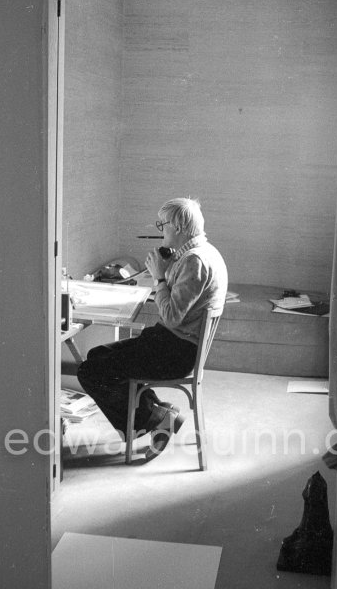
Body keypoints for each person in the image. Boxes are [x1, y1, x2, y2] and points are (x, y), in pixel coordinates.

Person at [77, 197, 228, 462]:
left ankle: (154, 418)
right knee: (97, 355)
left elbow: (171, 316)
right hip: (171, 343)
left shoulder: (194, 261)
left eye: (163, 225)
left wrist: (160, 277)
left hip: (176, 352)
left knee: (90, 371)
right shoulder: (202, 252)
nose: (161, 230)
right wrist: (167, 272)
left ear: (179, 228)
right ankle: (157, 411)